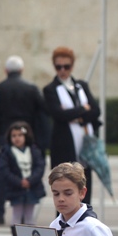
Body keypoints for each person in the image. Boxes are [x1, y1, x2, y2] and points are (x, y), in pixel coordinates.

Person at [0, 56, 48, 225]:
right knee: (26, 171)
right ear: (22, 70)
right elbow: (42, 114)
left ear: (6, 71)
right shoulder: (31, 88)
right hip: (25, 137)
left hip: (4, 136)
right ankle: (28, 206)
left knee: (3, 176)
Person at [43, 47, 100, 204]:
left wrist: (74, 115)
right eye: (58, 67)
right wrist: (83, 109)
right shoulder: (50, 89)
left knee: (84, 189)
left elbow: (95, 111)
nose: (62, 70)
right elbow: (58, 115)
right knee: (63, 190)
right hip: (63, 147)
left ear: (72, 66)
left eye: (66, 66)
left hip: (85, 147)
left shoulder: (81, 86)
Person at [0, 121, 46, 236]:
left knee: (30, 214)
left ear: (26, 136)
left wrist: (31, 180)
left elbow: (40, 167)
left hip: (32, 187)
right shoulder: (6, 152)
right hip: (15, 189)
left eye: (20, 135)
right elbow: (4, 170)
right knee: (17, 214)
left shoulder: (33, 150)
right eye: (14, 135)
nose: (17, 138)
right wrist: (19, 181)